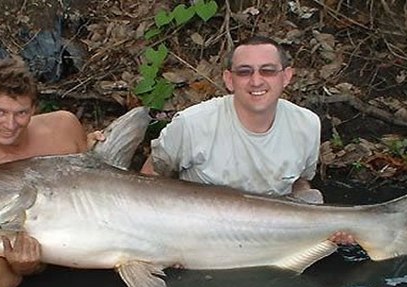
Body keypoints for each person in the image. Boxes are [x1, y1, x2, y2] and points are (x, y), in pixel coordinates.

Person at [140, 35, 354, 245]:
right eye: (244, 72)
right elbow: (148, 181)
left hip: (275, 238)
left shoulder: (307, 124)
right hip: (199, 242)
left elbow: (300, 183)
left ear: (286, 76)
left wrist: (324, 222)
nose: (256, 81)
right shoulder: (191, 124)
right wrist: (164, 242)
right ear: (229, 80)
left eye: (268, 71)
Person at [0, 56, 89, 287]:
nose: (10, 124)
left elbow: (96, 173)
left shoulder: (64, 125)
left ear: (33, 109)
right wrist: (22, 265)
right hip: (15, 249)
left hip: (80, 227)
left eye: (21, 113)